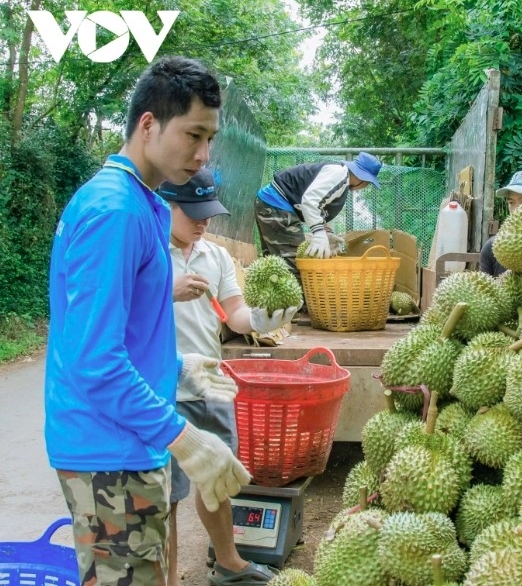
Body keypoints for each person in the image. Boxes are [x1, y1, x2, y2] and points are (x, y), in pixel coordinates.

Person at [46, 56, 250, 585]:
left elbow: (125, 331)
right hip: (108, 447)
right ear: (148, 124)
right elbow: (94, 359)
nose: (203, 155)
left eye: (211, 139)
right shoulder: (114, 211)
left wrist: (176, 368)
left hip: (127, 438)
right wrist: (182, 437)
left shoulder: (142, 203)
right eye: (193, 135)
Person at [159, 169, 300, 586]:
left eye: (208, 213)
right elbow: (122, 313)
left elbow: (233, 312)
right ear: (166, 206)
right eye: (193, 213)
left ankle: (228, 562)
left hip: (212, 386)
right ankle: (163, 577)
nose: (203, 223)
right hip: (165, 390)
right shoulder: (147, 254)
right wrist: (168, 289)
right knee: (165, 495)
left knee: (217, 481)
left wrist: (259, 318)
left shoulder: (215, 256)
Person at [254, 152, 383, 277]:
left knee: (275, 264)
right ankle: (298, 300)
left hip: (272, 203)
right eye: (368, 183)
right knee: (296, 266)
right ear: (363, 178)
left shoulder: (343, 182)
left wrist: (326, 233)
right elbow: (310, 200)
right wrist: (319, 233)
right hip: (276, 203)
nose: (365, 186)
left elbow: (322, 207)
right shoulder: (339, 174)